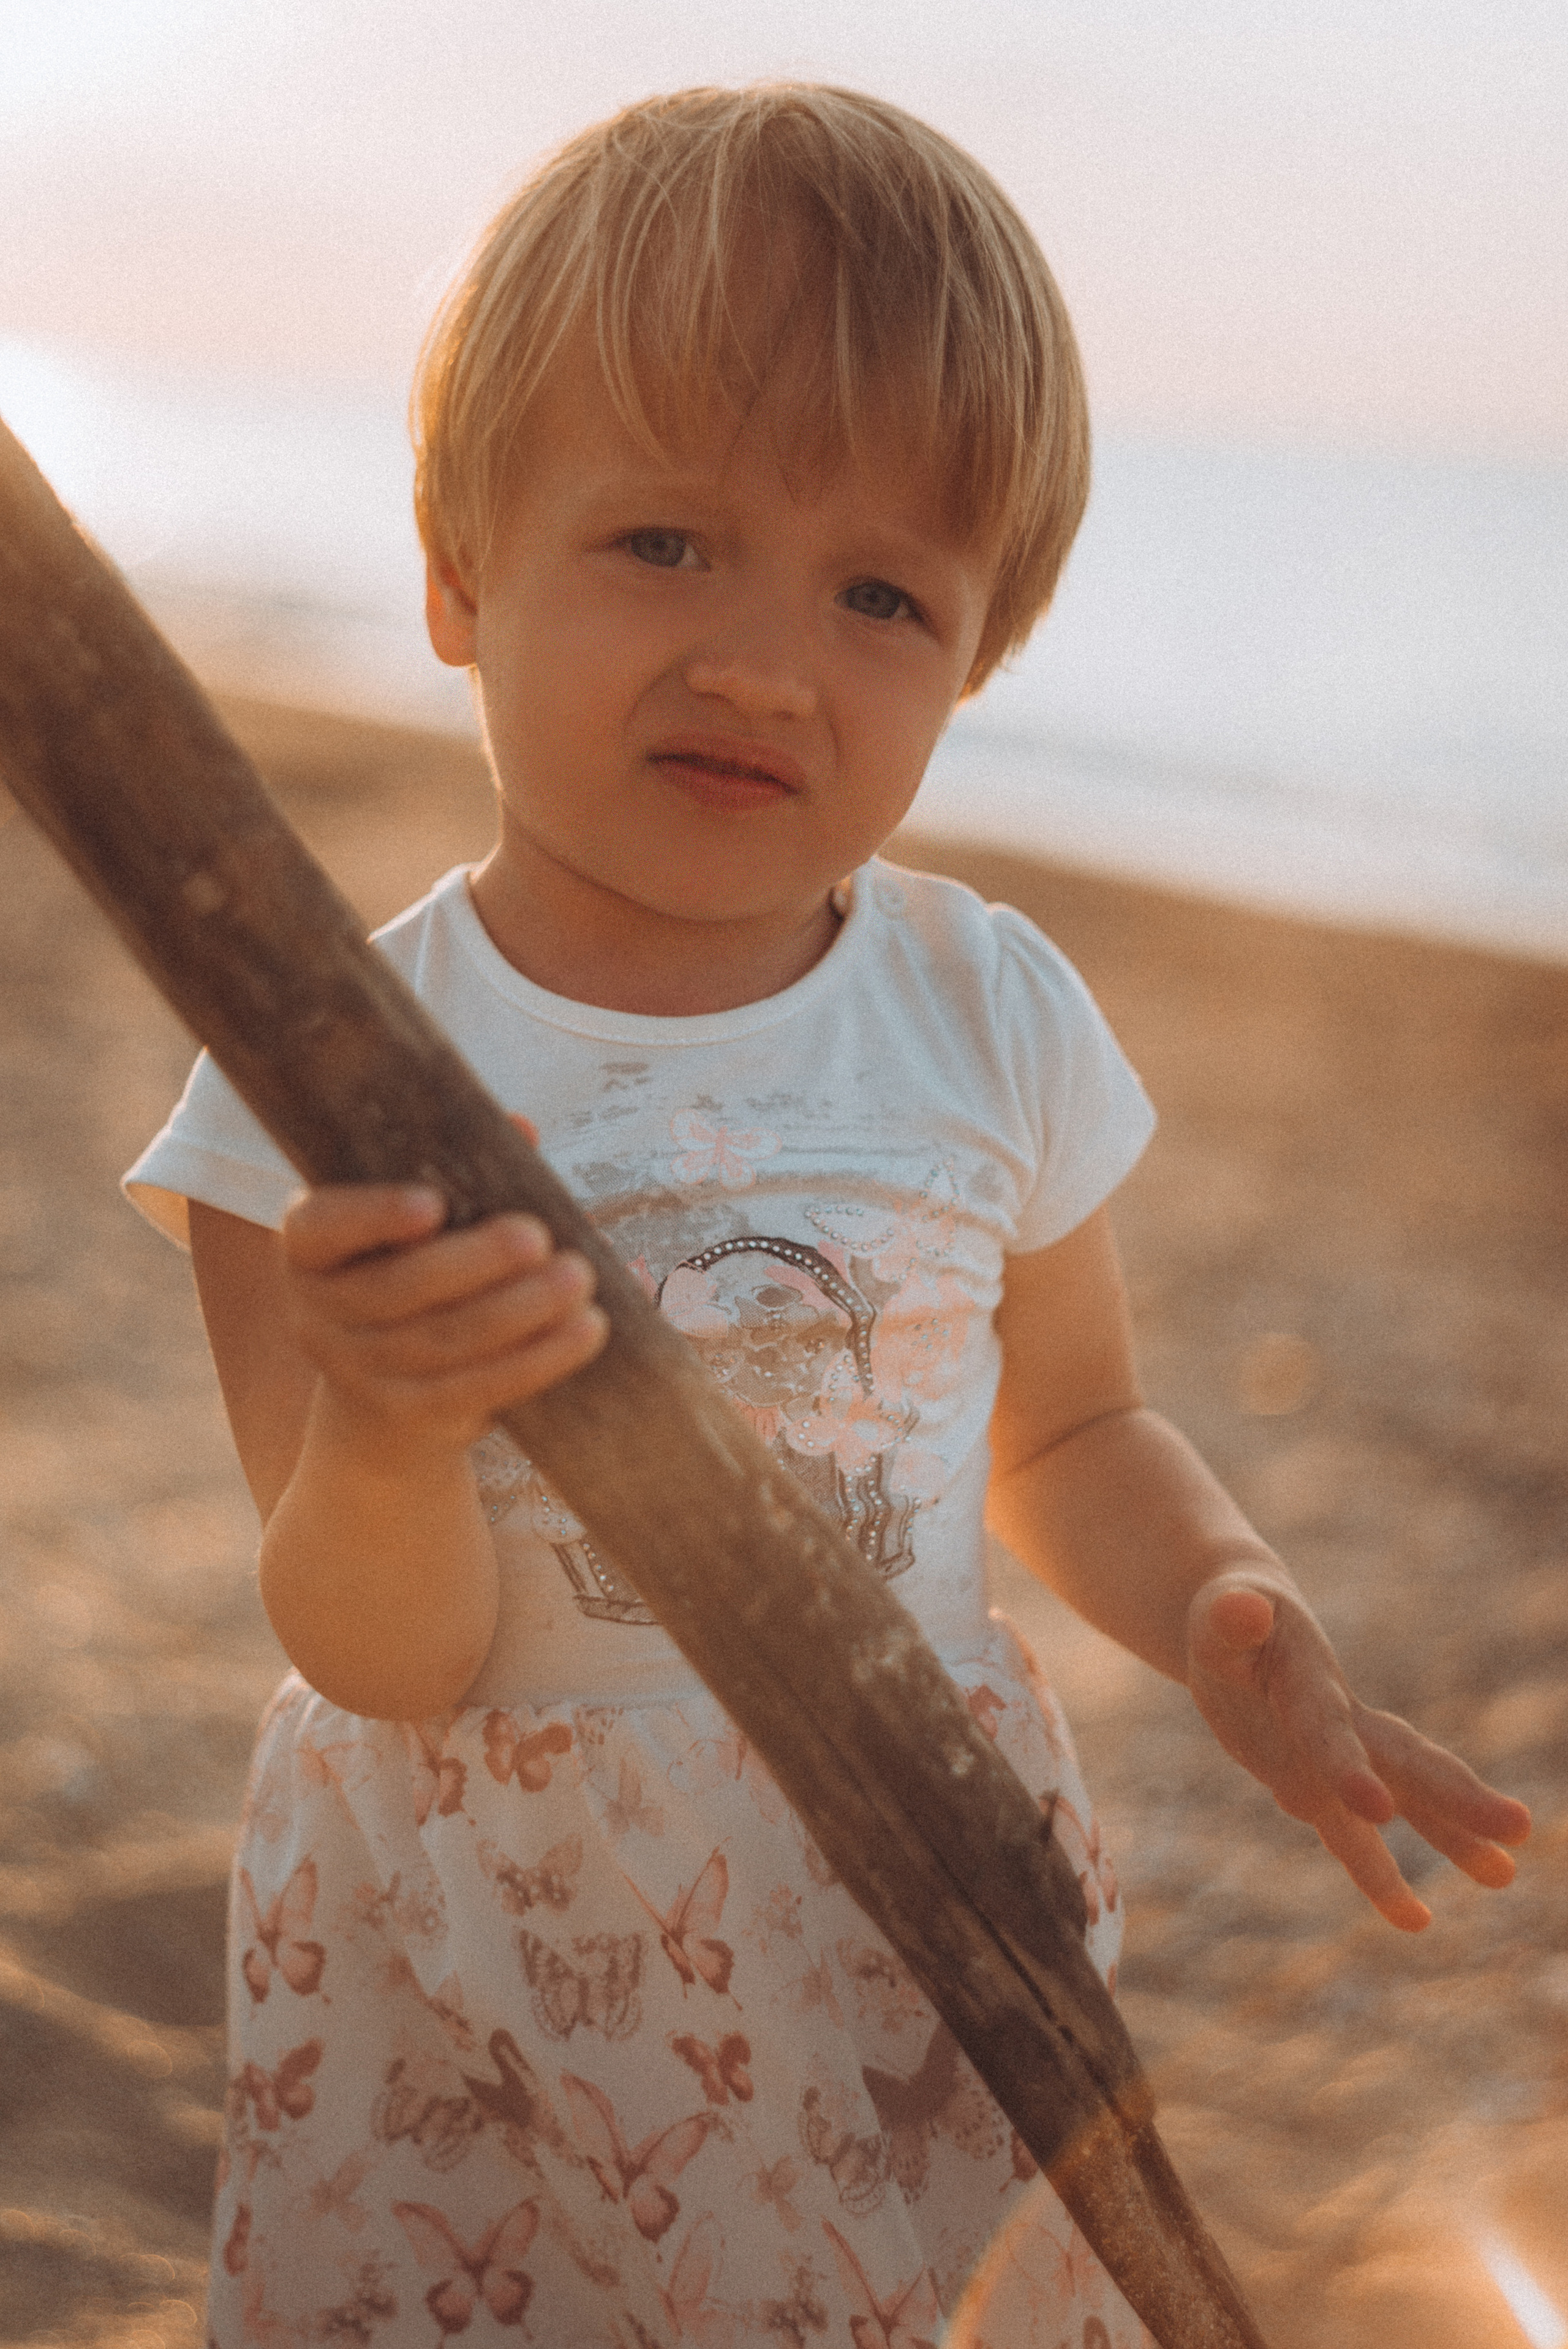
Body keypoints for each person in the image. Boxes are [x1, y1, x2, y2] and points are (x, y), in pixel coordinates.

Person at [124, 84, 1529, 2348]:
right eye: (667, 542)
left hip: (899, 1880)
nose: (770, 660)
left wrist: (1228, 1605)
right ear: (459, 567)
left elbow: (1065, 1440)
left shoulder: (983, 1010)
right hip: (490, 1945)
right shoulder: (320, 1059)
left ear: (976, 661)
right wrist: (385, 1441)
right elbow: (377, 1651)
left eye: (882, 592)